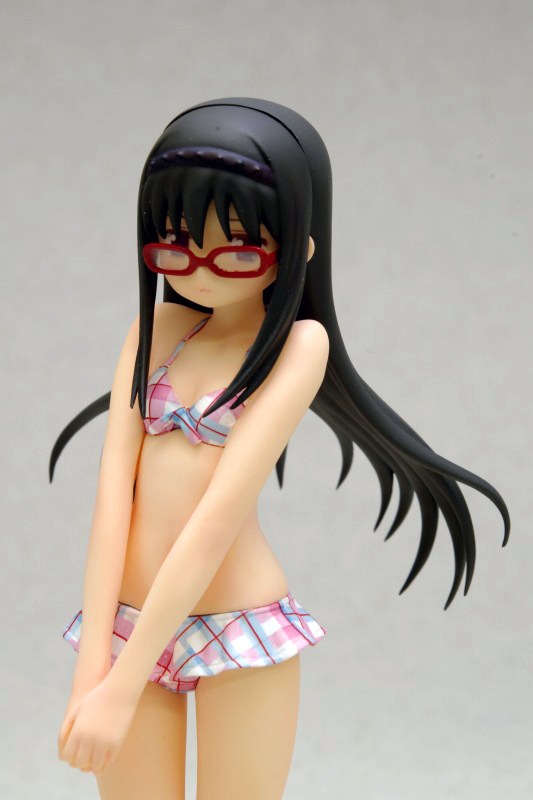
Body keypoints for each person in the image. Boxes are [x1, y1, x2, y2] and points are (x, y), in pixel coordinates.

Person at [51, 98, 510, 799]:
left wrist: (122, 682)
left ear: (299, 247)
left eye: (237, 249)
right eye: (174, 242)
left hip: (238, 623)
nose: (197, 270)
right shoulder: (156, 328)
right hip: (124, 624)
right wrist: (95, 671)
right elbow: (112, 496)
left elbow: (214, 521)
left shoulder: (298, 346)